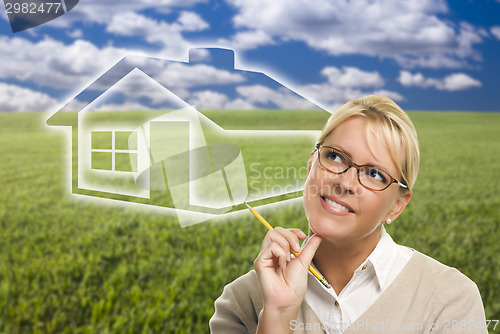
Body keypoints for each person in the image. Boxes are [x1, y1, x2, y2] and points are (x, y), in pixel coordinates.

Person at [209, 95, 487, 334]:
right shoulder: (241, 302)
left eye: (374, 174)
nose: (345, 182)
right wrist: (277, 316)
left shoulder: (449, 300)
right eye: (335, 157)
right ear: (310, 166)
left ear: (397, 206)